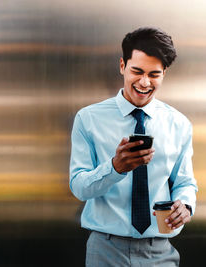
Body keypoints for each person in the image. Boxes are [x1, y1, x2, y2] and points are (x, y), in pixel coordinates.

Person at [69, 27, 198, 266]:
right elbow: (79, 187)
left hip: (159, 252)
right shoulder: (88, 119)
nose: (144, 82)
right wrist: (115, 168)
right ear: (122, 66)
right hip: (105, 250)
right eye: (136, 71)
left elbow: (185, 182)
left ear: (164, 73)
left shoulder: (179, 124)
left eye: (154, 74)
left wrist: (186, 204)